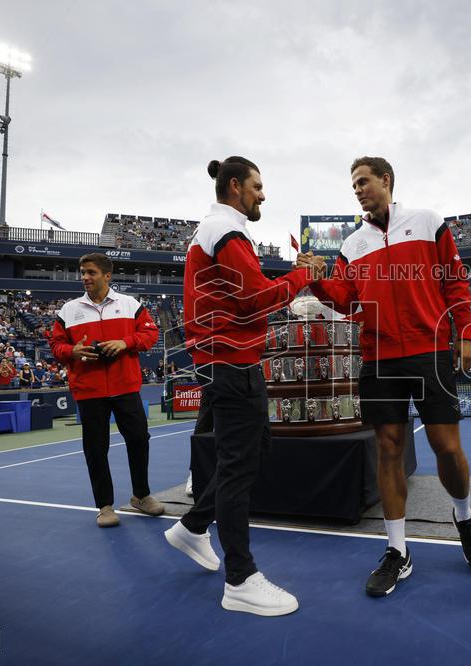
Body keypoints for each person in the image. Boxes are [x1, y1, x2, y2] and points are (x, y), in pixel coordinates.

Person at [308, 156, 471, 597]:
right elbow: (347, 302)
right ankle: (397, 551)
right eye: (353, 185)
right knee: (388, 450)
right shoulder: (351, 246)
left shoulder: (428, 222)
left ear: (386, 180)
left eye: (363, 181)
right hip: (379, 357)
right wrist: (316, 281)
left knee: (447, 448)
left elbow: (455, 281)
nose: (358, 190)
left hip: (429, 352)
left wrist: (464, 333)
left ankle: (463, 518)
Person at [164, 156, 319, 617]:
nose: (263, 194)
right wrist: (303, 275)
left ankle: (193, 525)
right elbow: (254, 300)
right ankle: (240, 579)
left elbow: (241, 297)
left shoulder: (216, 230)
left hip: (226, 360)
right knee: (238, 468)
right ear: (235, 186)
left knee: (254, 453)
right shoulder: (226, 232)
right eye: (257, 186)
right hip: (229, 362)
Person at [48, 252, 163, 528]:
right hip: (89, 390)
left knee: (138, 439)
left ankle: (141, 495)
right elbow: (55, 345)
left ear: (107, 275)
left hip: (125, 387)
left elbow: (151, 333)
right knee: (96, 449)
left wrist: (125, 342)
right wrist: (72, 351)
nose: (85, 277)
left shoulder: (130, 304)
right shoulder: (69, 310)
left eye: (91, 272)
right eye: (83, 272)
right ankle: (105, 506)